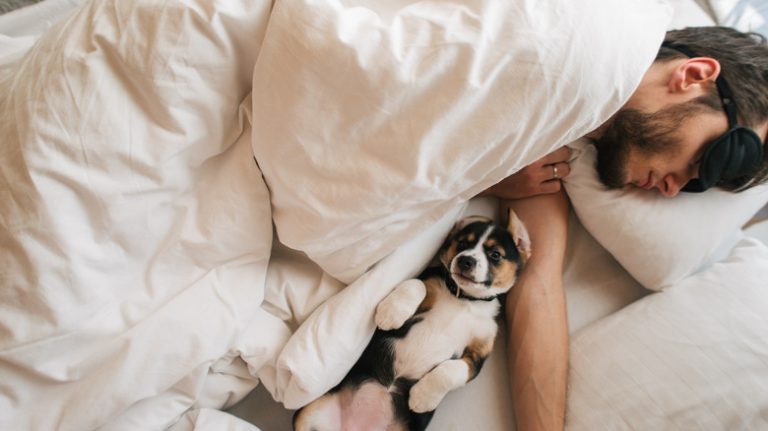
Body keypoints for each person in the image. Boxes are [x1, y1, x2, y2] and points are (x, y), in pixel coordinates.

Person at [482, 26, 768, 431]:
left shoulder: (552, 158)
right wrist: (480, 173)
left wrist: (495, 179)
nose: (674, 189)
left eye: (699, 186)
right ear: (693, 75)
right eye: (708, 159)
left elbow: (538, 285)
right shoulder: (570, 28)